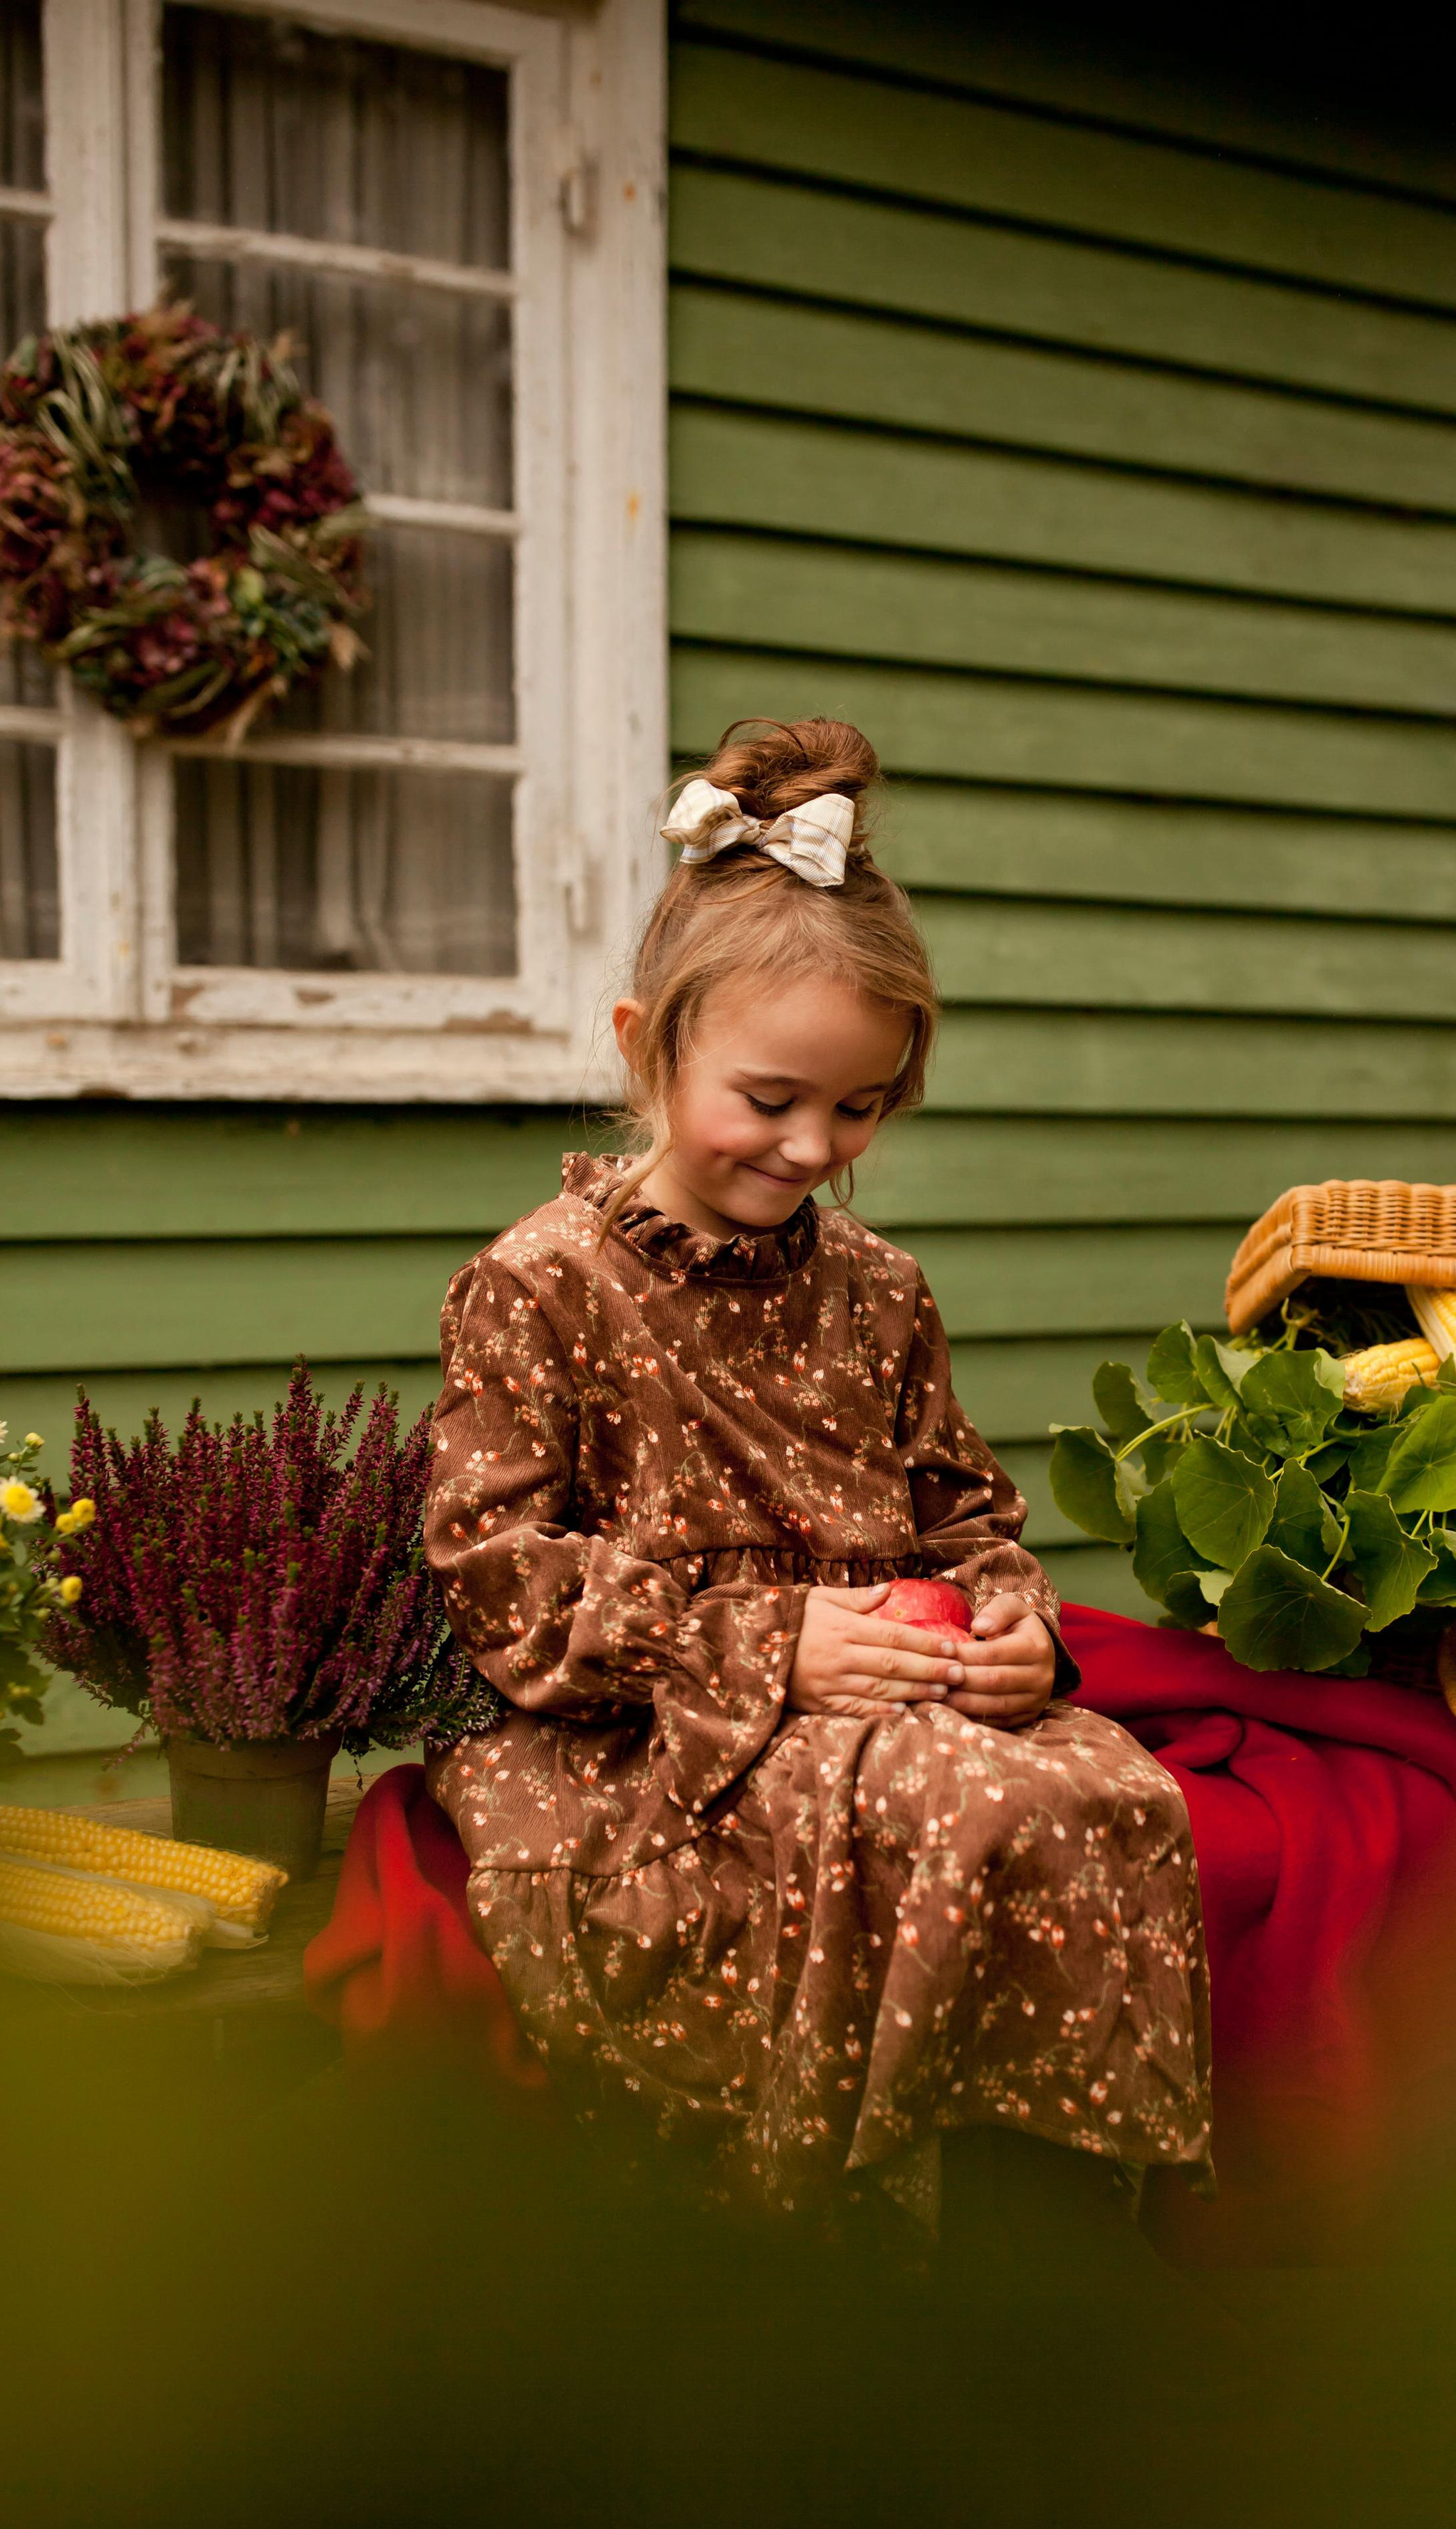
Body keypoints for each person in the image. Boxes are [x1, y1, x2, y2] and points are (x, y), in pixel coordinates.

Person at [423, 717, 1213, 2224]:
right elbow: (500, 1583)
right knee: (953, 1806)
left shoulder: (881, 1288)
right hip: (655, 1723)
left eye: (859, 1109)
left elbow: (960, 1512)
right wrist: (760, 1644)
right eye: (770, 1099)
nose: (808, 1147)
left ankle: (1045, 2244)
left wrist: (1010, 1627)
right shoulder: (540, 1288)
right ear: (644, 1044)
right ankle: (823, 2259)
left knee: (1117, 1795)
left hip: (892, 1682)